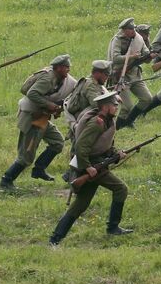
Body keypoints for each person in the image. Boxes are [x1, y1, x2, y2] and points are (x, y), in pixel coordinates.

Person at [48, 91, 134, 246]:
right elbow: (81, 147)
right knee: (121, 189)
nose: (117, 108)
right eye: (114, 105)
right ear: (106, 107)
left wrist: (117, 154)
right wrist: (88, 168)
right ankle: (112, 228)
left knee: (79, 206)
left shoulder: (107, 121)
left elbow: (104, 146)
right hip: (92, 166)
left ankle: (55, 238)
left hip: (96, 165)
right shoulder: (97, 123)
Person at [1, 54, 76, 189]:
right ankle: (7, 180)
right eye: (66, 67)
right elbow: (32, 93)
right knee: (27, 154)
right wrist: (50, 105)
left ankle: (39, 169)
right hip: (32, 117)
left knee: (57, 142)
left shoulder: (63, 80)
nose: (68, 70)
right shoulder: (47, 78)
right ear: (58, 68)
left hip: (42, 117)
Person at [109, 18, 154, 127]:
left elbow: (146, 56)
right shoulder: (117, 40)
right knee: (127, 106)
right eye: (130, 29)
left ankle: (129, 121)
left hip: (135, 74)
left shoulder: (138, 39)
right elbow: (115, 58)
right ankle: (117, 127)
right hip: (120, 75)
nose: (133, 31)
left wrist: (149, 56)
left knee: (147, 99)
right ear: (124, 30)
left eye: (134, 28)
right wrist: (132, 56)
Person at [62, 60, 112, 130]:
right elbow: (97, 104)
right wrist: (112, 99)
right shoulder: (90, 85)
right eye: (106, 75)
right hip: (82, 119)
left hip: (84, 117)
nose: (107, 78)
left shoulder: (93, 82)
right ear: (97, 73)